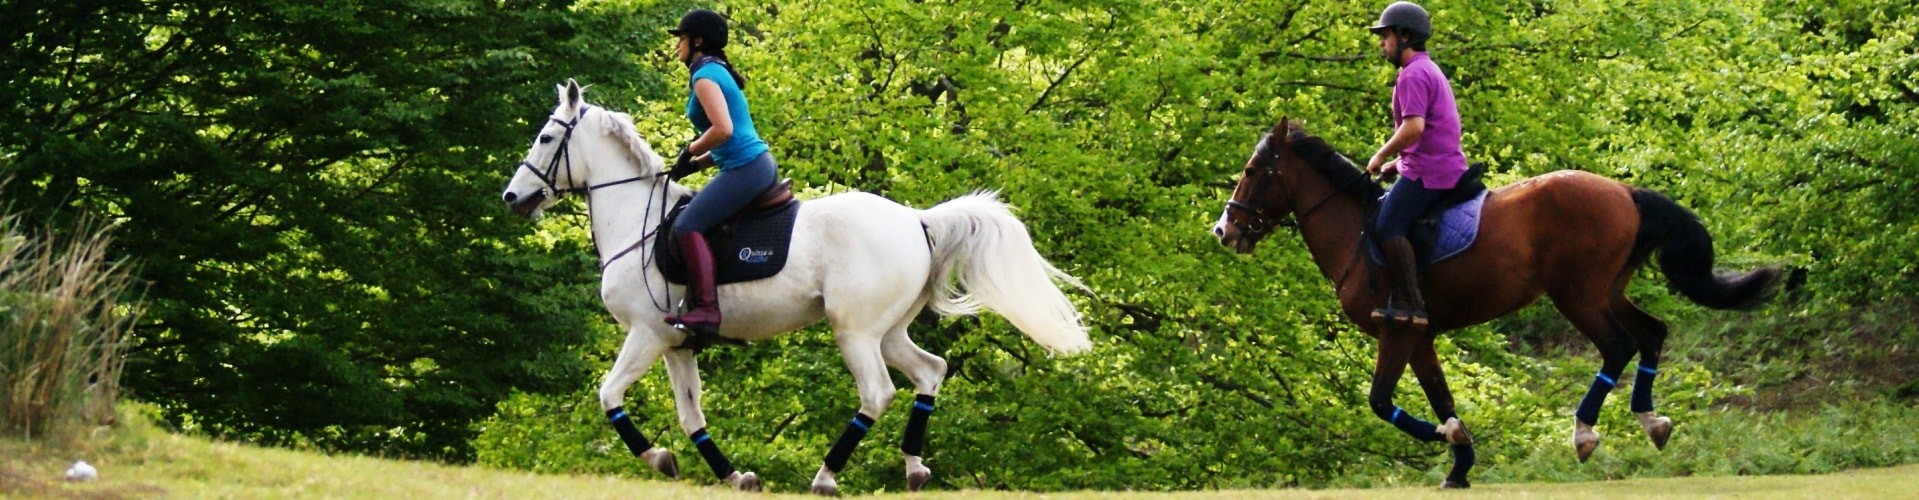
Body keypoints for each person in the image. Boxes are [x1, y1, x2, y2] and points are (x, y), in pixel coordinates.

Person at [663, 8, 779, 336]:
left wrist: (689, 150)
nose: (677, 47)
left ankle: (707, 311)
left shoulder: (704, 76)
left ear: (697, 41)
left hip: (747, 168)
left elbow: (724, 129)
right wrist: (696, 165)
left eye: (681, 39)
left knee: (686, 226)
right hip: (751, 164)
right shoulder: (716, 71)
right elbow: (732, 137)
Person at [1362, 1, 1467, 327]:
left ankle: (1411, 303)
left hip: (1433, 172)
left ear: (1404, 36)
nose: (1382, 43)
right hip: (1435, 164)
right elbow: (1430, 133)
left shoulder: (1412, 75)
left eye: (1386, 35)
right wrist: (1399, 164)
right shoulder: (1428, 69)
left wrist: (1381, 155)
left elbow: (1414, 128)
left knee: (1386, 224)